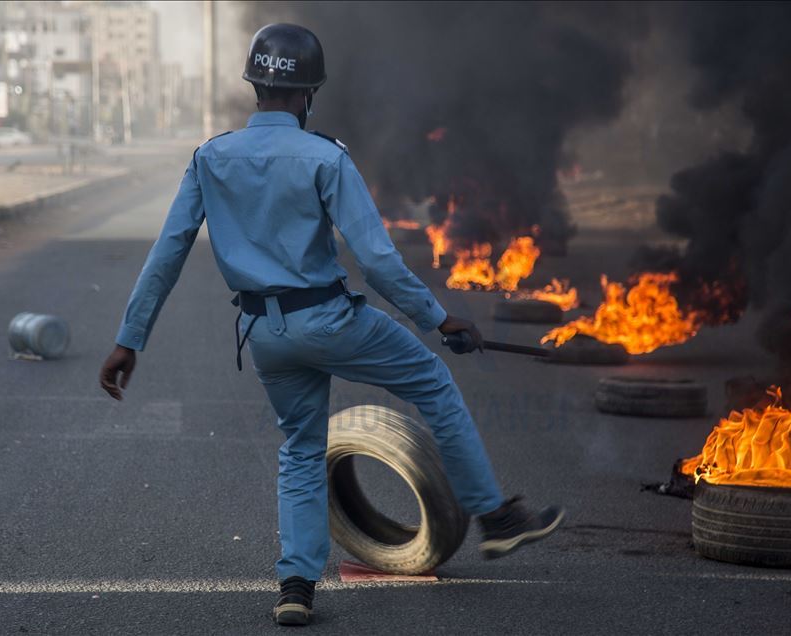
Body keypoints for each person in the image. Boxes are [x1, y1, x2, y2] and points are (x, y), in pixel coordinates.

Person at [99, 23, 563, 627]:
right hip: (330, 319)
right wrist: (440, 318)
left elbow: (167, 254)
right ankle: (496, 519)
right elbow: (375, 261)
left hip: (265, 336)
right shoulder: (325, 157)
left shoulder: (210, 157)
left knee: (299, 449)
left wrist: (128, 340)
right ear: (307, 94)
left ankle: (295, 587)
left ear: (255, 88)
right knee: (432, 381)